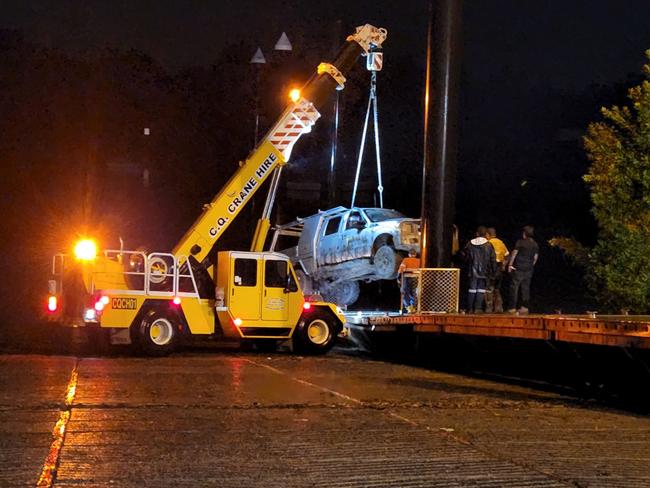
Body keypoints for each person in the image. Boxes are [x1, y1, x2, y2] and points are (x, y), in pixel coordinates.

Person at [507, 225, 539, 314]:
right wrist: (530, 265)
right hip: (529, 269)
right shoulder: (535, 244)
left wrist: (510, 264)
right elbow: (536, 257)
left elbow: (514, 253)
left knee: (514, 287)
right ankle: (525, 308)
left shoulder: (520, 242)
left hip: (518, 268)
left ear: (524, 233)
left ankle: (512, 308)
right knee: (526, 288)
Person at [464, 226, 497, 313]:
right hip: (484, 272)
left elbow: (466, 258)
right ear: (486, 234)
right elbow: (493, 259)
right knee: (481, 290)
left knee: (472, 289)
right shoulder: (489, 245)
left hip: (472, 271)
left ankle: (470, 308)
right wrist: (494, 272)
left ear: (477, 234)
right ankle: (478, 308)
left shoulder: (470, 244)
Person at [485, 227, 509, 313]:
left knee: (489, 288)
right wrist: (504, 266)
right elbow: (507, 255)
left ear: (488, 234)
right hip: (499, 267)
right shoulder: (501, 243)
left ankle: (489, 307)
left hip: (490, 268)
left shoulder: (487, 243)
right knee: (497, 288)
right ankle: (499, 307)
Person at [398, 249, 420, 313]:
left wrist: (398, 278)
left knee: (405, 292)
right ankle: (414, 307)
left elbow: (400, 270)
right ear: (415, 255)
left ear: (409, 254)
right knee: (415, 293)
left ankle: (408, 307)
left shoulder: (406, 260)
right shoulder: (419, 261)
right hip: (416, 278)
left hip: (407, 278)